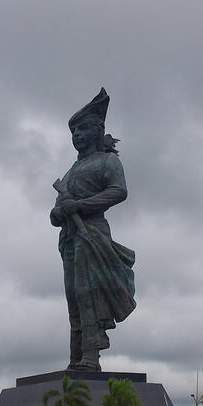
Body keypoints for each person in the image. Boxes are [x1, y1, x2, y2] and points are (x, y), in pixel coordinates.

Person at [50, 89, 136, 371]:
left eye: (82, 129)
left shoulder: (107, 161)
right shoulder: (73, 170)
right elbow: (56, 212)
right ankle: (76, 356)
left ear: (97, 130)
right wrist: (60, 211)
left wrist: (81, 206)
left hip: (93, 235)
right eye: (73, 131)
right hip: (70, 239)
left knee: (89, 295)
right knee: (73, 295)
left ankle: (91, 356)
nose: (76, 135)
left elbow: (118, 191)